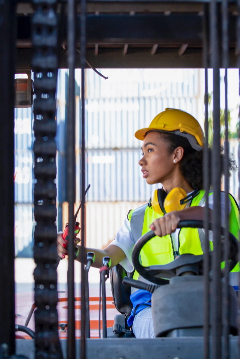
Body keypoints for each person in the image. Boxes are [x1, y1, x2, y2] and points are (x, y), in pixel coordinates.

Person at [57, 108, 239, 338]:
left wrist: (178, 217)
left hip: (217, 305)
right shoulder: (138, 218)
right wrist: (74, 250)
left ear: (177, 154)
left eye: (150, 150)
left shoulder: (218, 200)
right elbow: (107, 256)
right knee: (173, 332)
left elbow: (211, 215)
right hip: (154, 310)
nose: (141, 160)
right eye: (142, 152)